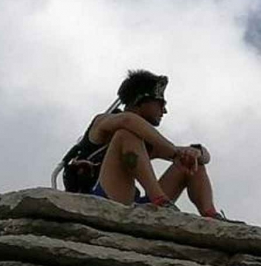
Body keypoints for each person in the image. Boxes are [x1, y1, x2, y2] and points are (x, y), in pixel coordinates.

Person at [69, 70, 226, 218]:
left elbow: (204, 156)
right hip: (99, 199)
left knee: (189, 163)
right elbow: (128, 120)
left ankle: (210, 214)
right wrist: (174, 151)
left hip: (133, 203)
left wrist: (195, 153)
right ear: (140, 101)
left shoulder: (147, 141)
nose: (164, 111)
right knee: (126, 134)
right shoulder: (103, 123)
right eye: (160, 103)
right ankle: (160, 201)